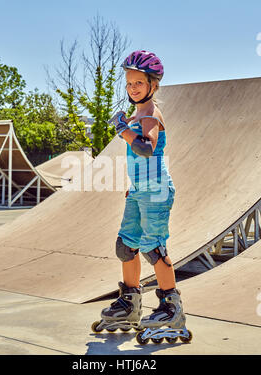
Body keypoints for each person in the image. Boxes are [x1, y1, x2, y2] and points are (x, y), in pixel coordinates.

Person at [100, 50, 186, 332]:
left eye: (138, 82)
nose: (132, 88)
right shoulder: (138, 113)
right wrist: (133, 186)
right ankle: (130, 302)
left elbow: (145, 148)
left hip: (157, 190)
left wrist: (122, 129)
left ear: (153, 85)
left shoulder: (150, 114)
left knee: (153, 247)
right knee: (126, 245)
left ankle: (171, 308)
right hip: (140, 190)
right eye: (129, 83)